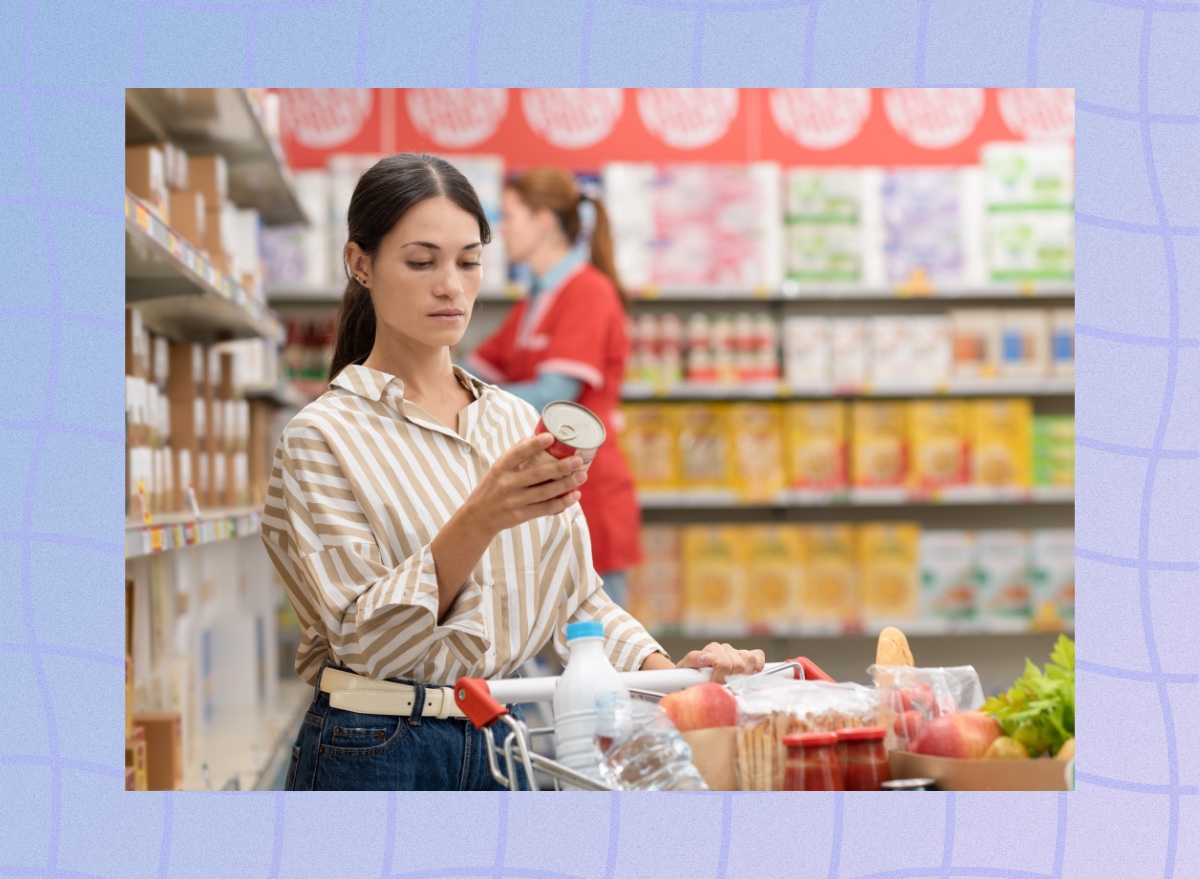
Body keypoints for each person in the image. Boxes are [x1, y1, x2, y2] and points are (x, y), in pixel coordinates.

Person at [261, 153, 765, 791]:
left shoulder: (511, 420)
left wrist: (674, 676)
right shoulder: (320, 437)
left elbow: (577, 601)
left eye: (469, 262)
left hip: (504, 738)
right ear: (360, 264)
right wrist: (481, 517)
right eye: (422, 262)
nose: (451, 285)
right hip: (376, 747)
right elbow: (370, 646)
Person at [463, 167, 639, 608]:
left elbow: (556, 396)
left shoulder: (589, 293)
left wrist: (463, 400)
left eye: (511, 216)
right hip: (543, 489)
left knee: (602, 644)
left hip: (587, 489)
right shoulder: (534, 301)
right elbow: (471, 369)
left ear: (543, 222)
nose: (502, 228)